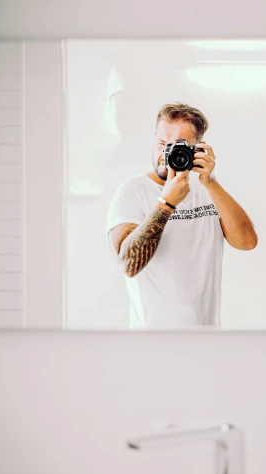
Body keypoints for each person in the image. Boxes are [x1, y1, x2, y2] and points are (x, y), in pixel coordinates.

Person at [106, 102, 258, 329]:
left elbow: (247, 242)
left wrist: (211, 182)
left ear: (198, 148)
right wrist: (166, 204)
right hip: (151, 342)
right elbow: (129, 264)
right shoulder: (132, 191)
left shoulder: (208, 190)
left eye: (180, 145)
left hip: (206, 338)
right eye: (162, 143)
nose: (167, 152)